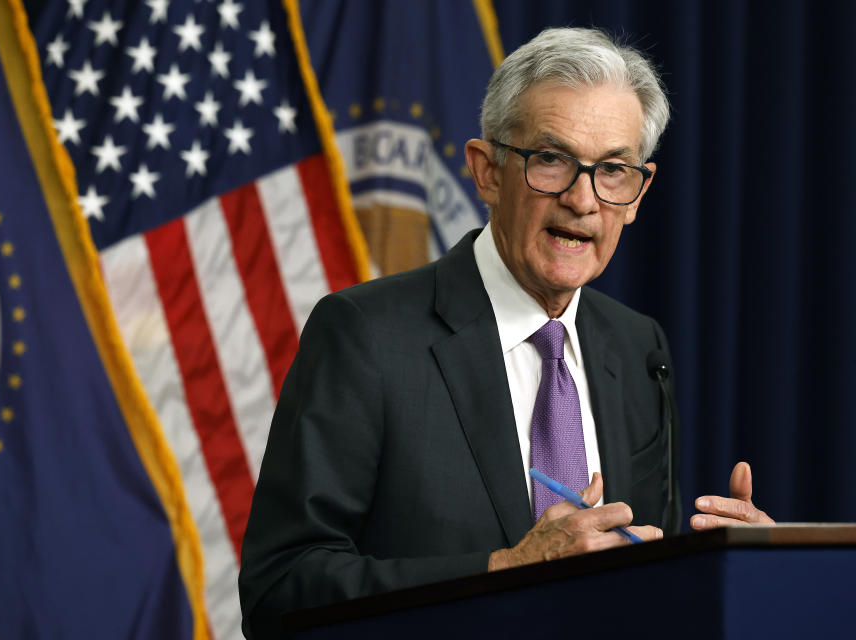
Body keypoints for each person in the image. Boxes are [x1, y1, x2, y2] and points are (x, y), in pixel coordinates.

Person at [238, 27, 773, 638]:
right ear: (486, 171)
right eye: (551, 159)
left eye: (614, 170)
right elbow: (279, 589)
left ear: (638, 193)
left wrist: (731, 570)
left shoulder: (637, 345)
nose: (582, 199)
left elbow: (640, 575)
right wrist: (506, 570)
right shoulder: (365, 335)